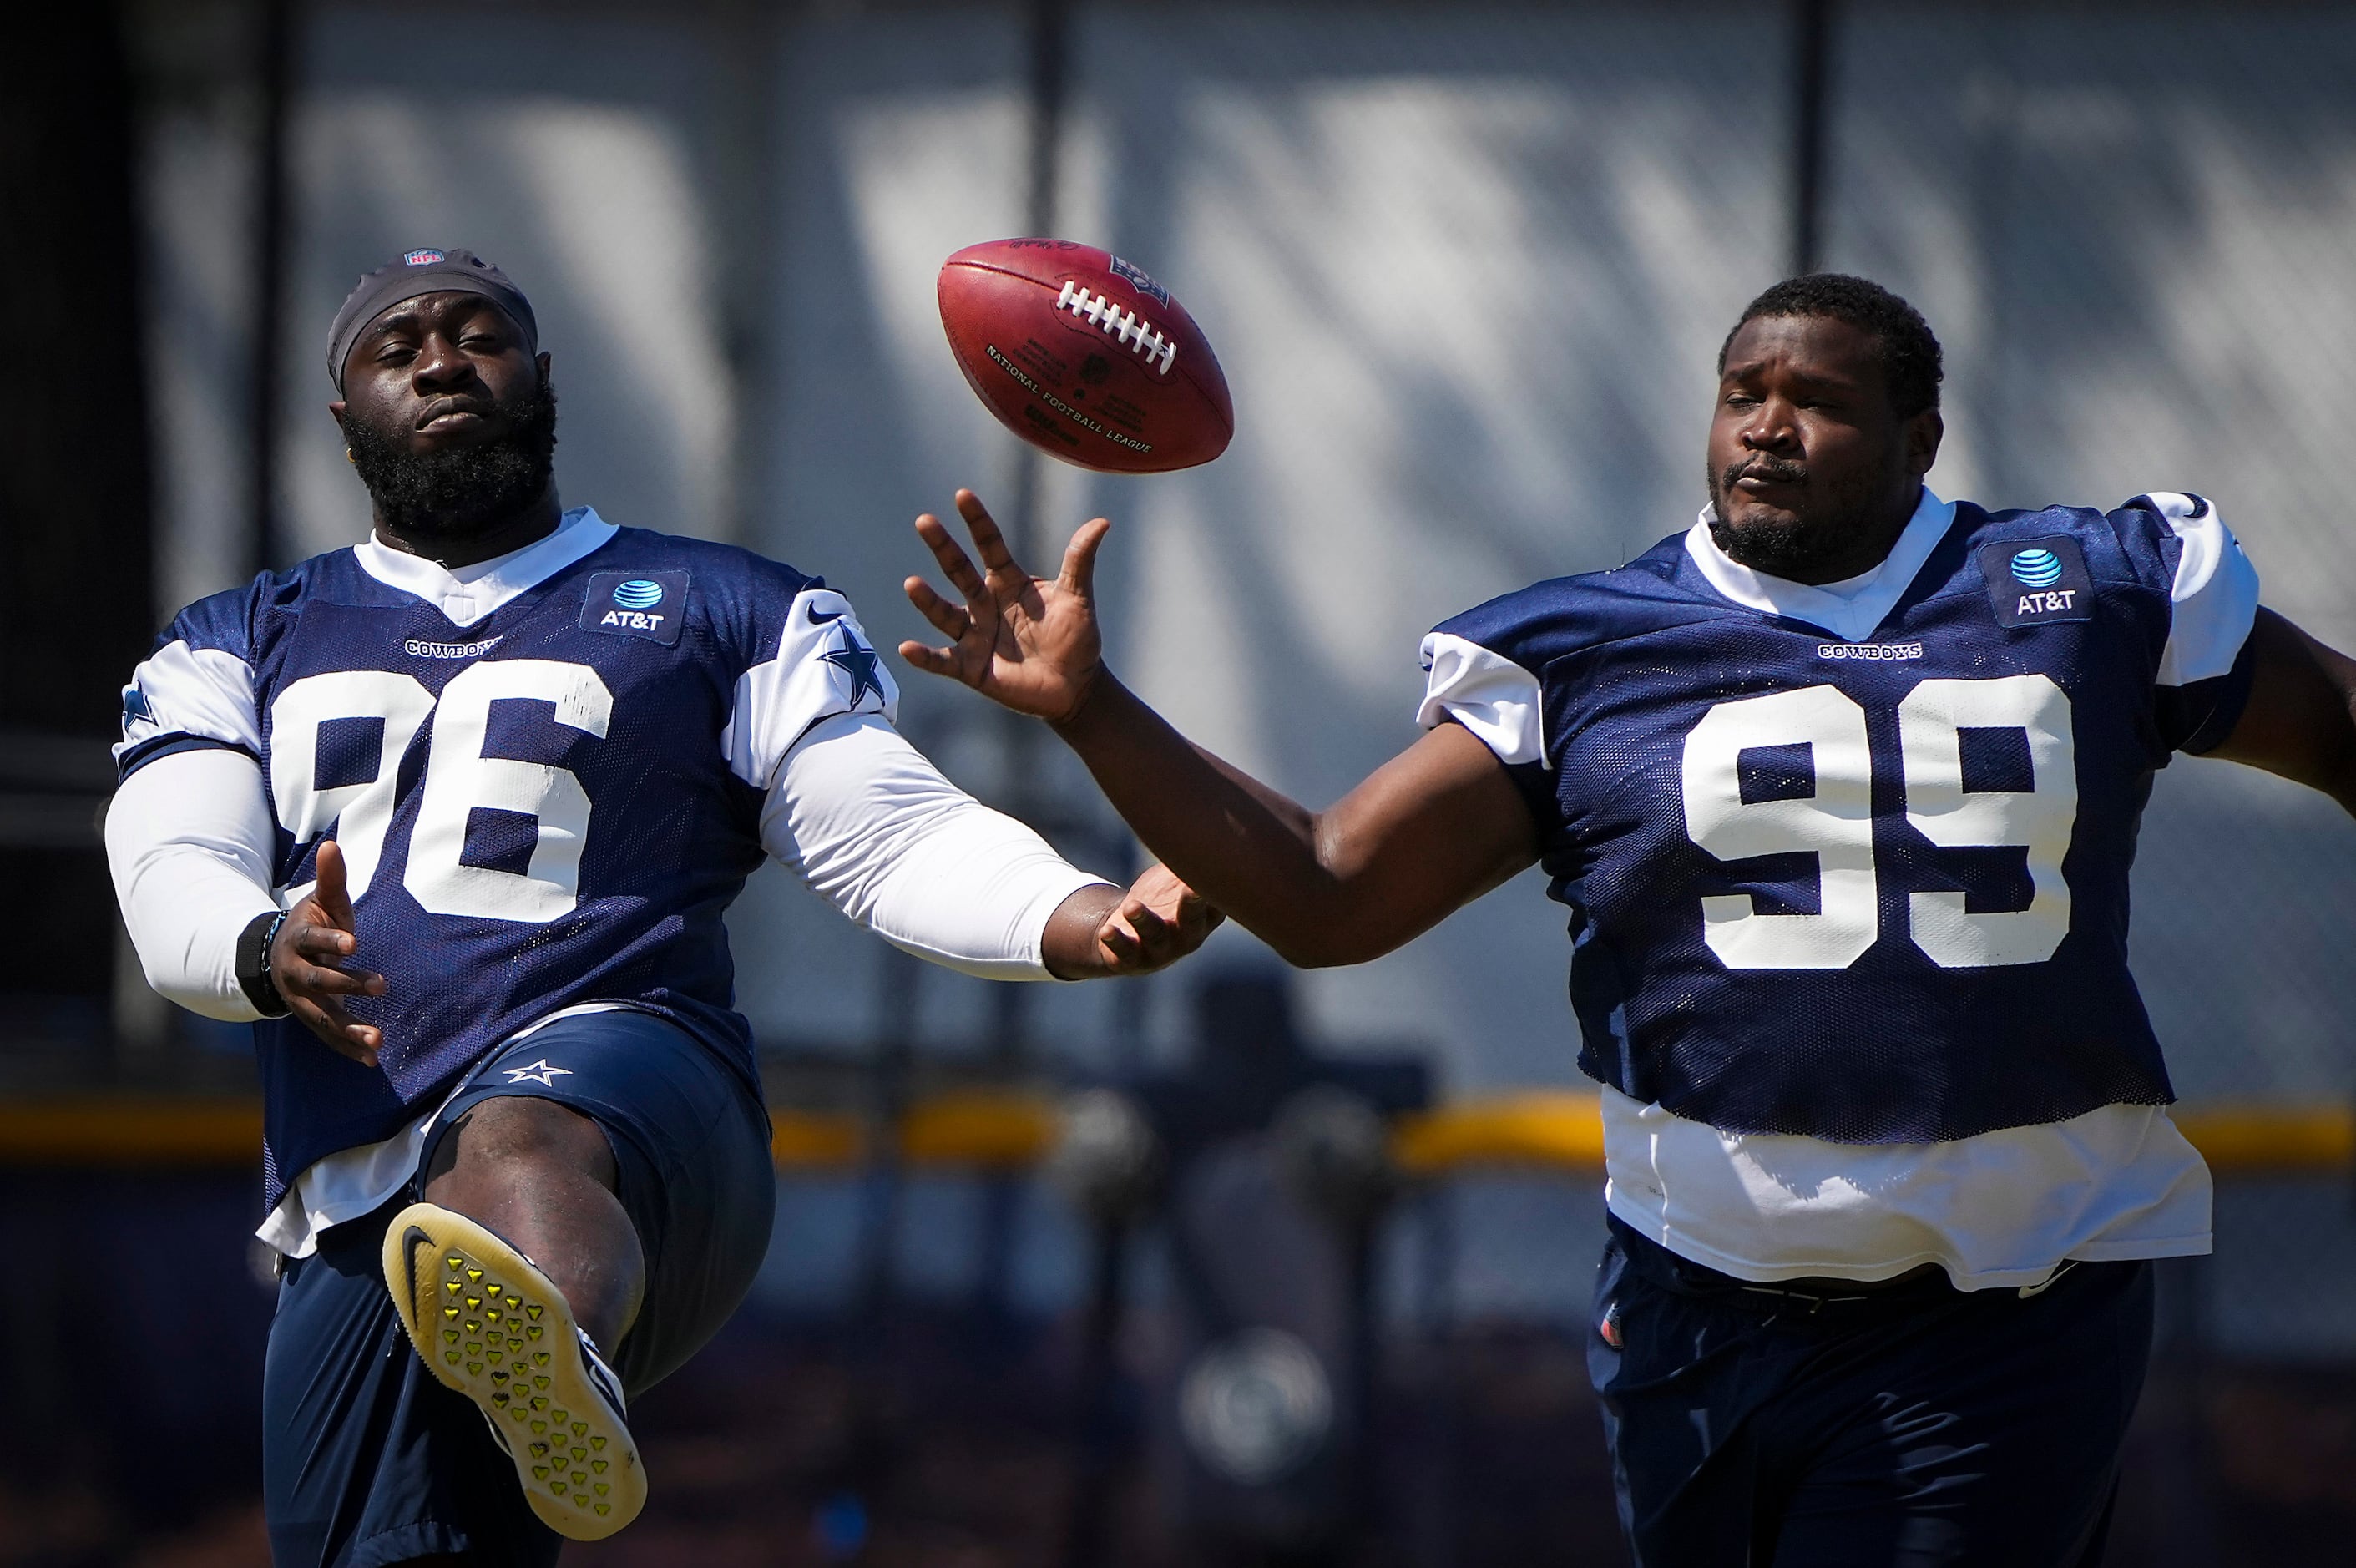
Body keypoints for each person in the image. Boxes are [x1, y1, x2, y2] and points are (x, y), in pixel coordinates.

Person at [898, 273, 2356, 1565]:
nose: (1766, 428)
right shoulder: (1587, 646)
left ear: (1919, 440)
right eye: (1743, 394)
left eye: (1820, 402)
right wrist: (1094, 712)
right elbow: (1330, 892)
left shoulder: (2084, 588)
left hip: (2003, 1303)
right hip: (1695, 1310)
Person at [104, 246, 1219, 1566]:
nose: (444, 361)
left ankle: (554, 1345)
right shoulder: (237, 636)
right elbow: (171, 856)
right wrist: (254, 941)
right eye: (397, 350)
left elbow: (880, 831)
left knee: (518, 1133)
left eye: (478, 335)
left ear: (544, 378)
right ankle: (521, 1362)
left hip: (643, 1105)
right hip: (351, 1180)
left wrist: (1076, 913)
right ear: (345, 418)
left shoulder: (724, 604)